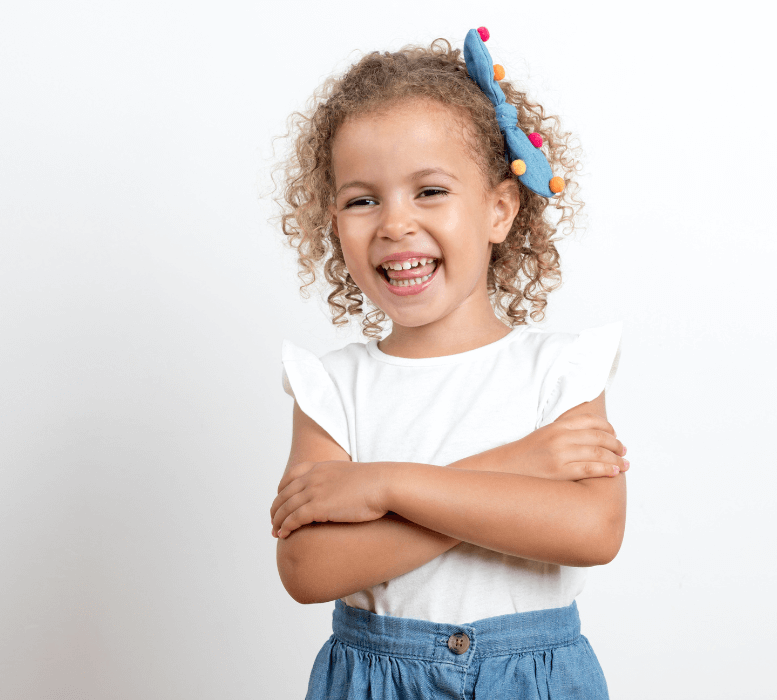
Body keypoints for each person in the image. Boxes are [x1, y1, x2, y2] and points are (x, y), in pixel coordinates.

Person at [269, 26, 630, 700]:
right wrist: (519, 466)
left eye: (429, 191)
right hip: (374, 679)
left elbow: (590, 530)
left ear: (498, 209)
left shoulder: (561, 372)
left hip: (534, 679)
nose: (395, 223)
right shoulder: (333, 388)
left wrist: (383, 487)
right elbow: (309, 568)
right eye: (362, 199)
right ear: (333, 221)